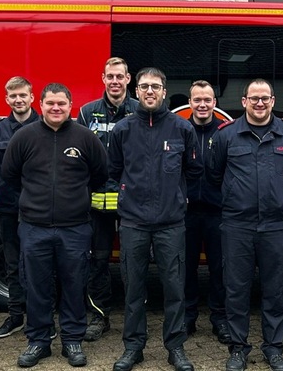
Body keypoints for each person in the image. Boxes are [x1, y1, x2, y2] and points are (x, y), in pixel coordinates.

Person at [1, 83, 108, 368]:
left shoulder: (86, 138)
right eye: (50, 103)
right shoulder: (24, 137)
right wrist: (33, 203)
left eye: (61, 103)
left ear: (70, 105)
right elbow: (9, 176)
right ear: (41, 105)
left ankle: (72, 340)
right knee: (36, 287)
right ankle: (39, 340)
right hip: (33, 228)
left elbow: (100, 174)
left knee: (74, 285)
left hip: (75, 228)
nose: (56, 108)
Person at [207, 78, 283, 371]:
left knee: (275, 290)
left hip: (277, 226)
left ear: (273, 101)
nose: (260, 103)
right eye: (254, 98)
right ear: (244, 102)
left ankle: (274, 348)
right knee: (236, 290)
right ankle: (238, 348)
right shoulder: (226, 135)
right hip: (237, 225)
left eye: (265, 98)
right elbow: (214, 175)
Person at [108, 67, 201, 371]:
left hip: (171, 223)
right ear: (136, 91)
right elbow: (114, 169)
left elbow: (193, 170)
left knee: (174, 289)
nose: (150, 91)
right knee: (133, 289)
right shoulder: (122, 129)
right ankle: (133, 347)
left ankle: (175, 347)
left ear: (164, 91)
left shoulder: (182, 129)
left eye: (156, 86)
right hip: (133, 222)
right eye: (145, 86)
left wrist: (177, 196)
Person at [76, 57, 138, 342]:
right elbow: (79, 156)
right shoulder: (87, 112)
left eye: (119, 76)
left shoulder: (140, 111)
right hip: (97, 205)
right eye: (110, 76)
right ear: (103, 78)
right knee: (97, 261)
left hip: (132, 203)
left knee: (132, 261)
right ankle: (98, 316)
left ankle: (134, 319)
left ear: (128, 79)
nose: (115, 81)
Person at [0, 76, 40, 339]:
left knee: (40, 265)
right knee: (12, 264)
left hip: (39, 209)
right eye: (13, 96)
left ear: (32, 97)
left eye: (23, 95)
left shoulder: (46, 127)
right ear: (6, 99)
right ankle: (15, 316)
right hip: (9, 208)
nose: (18, 100)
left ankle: (39, 319)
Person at [182, 80, 230, 344]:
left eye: (207, 100)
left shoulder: (225, 133)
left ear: (214, 103)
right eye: (197, 100)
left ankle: (220, 318)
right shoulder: (180, 130)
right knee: (185, 268)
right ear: (190, 102)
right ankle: (187, 317)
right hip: (186, 213)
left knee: (219, 269)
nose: (202, 105)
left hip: (217, 212)